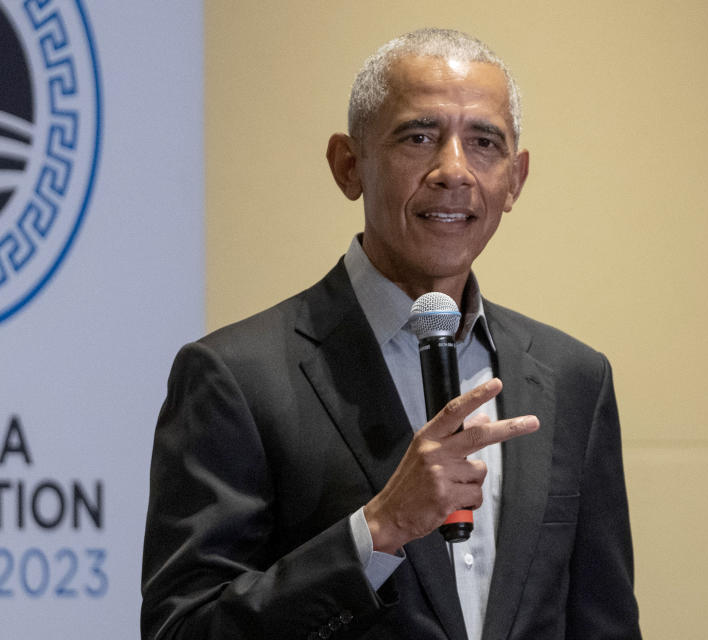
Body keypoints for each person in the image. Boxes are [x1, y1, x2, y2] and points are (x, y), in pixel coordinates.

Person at [141, 28, 641, 640]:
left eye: (484, 142)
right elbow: (182, 629)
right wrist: (376, 531)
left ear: (516, 179)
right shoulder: (235, 378)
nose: (452, 170)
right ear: (347, 165)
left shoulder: (573, 378)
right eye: (419, 137)